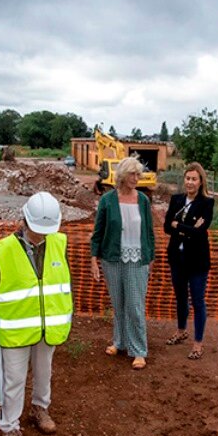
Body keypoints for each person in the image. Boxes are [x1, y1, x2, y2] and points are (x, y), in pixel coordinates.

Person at [0, 191, 72, 436]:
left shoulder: (58, 243)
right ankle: (9, 428)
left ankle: (40, 408)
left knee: (44, 372)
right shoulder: (5, 250)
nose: (41, 235)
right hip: (16, 328)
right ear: (24, 220)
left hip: (49, 327)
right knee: (14, 380)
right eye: (36, 230)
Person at [90, 157, 155, 370]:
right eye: (132, 174)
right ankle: (120, 342)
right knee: (118, 305)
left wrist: (150, 258)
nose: (136, 178)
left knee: (134, 306)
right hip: (112, 258)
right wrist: (94, 260)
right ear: (122, 175)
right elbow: (98, 232)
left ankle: (138, 350)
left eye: (138, 174)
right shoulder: (108, 200)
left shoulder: (143, 201)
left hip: (137, 259)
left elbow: (149, 232)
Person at [163, 162, 214, 360]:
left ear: (201, 182)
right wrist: (188, 227)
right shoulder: (176, 200)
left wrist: (179, 225)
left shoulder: (207, 203)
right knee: (181, 297)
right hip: (177, 258)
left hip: (197, 261)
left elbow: (200, 231)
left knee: (198, 300)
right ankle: (181, 330)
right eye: (187, 178)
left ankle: (198, 342)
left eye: (194, 179)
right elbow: (167, 226)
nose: (190, 182)